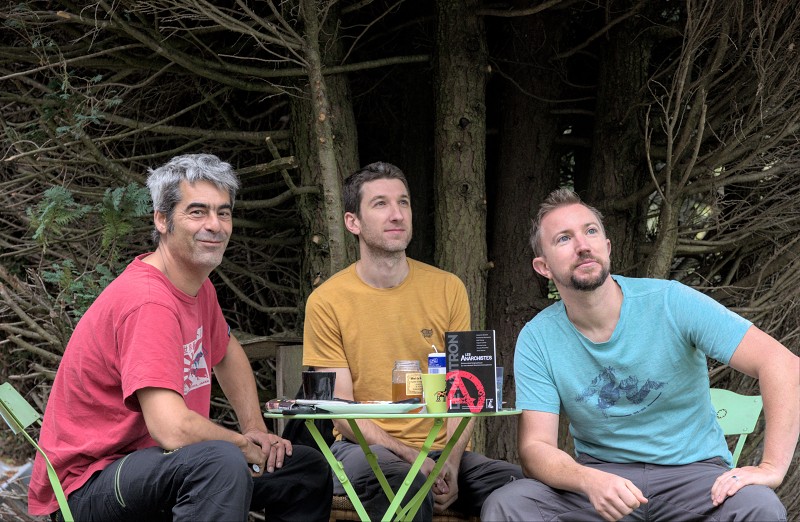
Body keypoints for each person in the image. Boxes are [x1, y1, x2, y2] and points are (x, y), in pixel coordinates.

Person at [28, 154, 332, 522]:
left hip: (160, 468)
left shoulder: (196, 287)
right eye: (197, 212)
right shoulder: (149, 302)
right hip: (90, 484)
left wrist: (254, 428)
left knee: (303, 470)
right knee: (221, 461)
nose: (214, 225)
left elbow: (226, 351)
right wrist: (241, 444)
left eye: (223, 213)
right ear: (162, 219)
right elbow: (171, 429)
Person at [482, 188, 799, 521]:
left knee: (759, 506)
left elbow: (781, 363)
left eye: (591, 231)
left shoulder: (670, 302)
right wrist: (587, 480)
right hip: (601, 481)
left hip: (695, 479)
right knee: (510, 503)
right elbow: (535, 447)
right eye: (564, 238)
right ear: (543, 267)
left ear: (607, 247)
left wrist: (771, 467)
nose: (583, 245)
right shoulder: (539, 337)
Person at [302, 161, 523, 521]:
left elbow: (467, 394)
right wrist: (412, 457)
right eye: (381, 204)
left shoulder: (448, 288)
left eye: (403, 202)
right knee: (408, 485)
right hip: (364, 451)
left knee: (522, 488)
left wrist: (451, 463)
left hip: (443, 453)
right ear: (352, 222)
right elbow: (340, 414)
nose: (397, 214)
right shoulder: (327, 301)